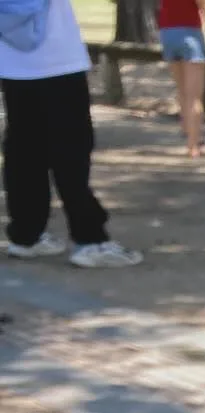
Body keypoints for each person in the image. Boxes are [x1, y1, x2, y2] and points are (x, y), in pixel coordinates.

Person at [0, 0, 141, 265]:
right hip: (56, 59)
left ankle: (26, 234)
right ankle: (89, 238)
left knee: (24, 152)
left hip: (14, 63)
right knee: (71, 152)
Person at [157, 0, 205, 158]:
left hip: (167, 33)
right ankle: (193, 146)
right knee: (194, 96)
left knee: (182, 91)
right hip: (190, 33)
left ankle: (188, 130)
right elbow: (204, 6)